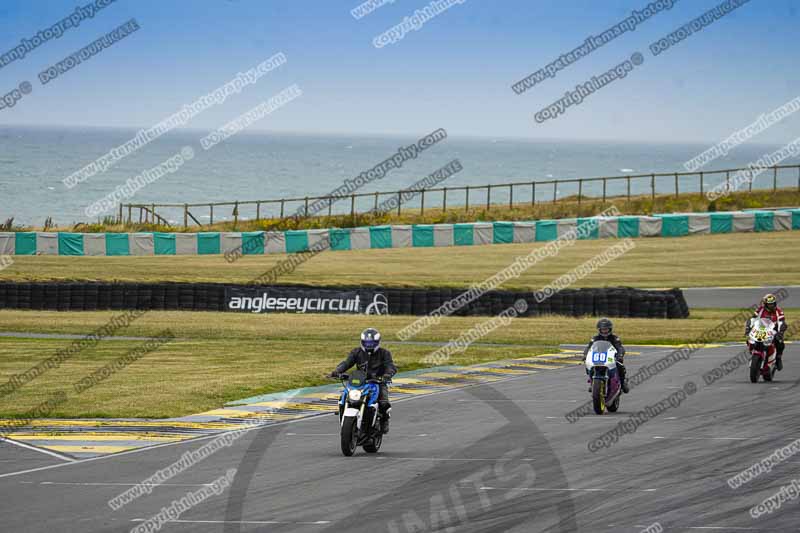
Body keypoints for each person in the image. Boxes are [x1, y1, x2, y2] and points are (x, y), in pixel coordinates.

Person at [330, 328, 396, 434]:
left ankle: (384, 421)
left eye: (371, 343)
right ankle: (344, 417)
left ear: (377, 342)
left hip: (377, 382)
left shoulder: (384, 353)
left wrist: (387, 375)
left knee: (384, 403)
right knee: (343, 398)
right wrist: (337, 371)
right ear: (362, 342)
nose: (369, 345)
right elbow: (347, 363)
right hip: (359, 382)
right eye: (367, 342)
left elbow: (390, 366)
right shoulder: (356, 352)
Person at [584, 318, 629, 393]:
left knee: (620, 365)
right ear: (599, 330)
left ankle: (623, 382)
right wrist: (585, 355)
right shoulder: (595, 338)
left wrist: (620, 355)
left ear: (610, 329)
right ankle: (593, 382)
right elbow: (589, 348)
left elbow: (620, 347)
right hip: (599, 358)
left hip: (611, 358)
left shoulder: (615, 338)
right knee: (589, 366)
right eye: (602, 329)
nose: (604, 331)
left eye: (606, 329)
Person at [746, 293, 788, 370]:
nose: (771, 306)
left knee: (780, 342)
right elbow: (753, 319)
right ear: (765, 304)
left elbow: (782, 322)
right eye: (769, 304)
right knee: (749, 338)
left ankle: (778, 359)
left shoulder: (778, 311)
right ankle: (752, 352)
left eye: (773, 304)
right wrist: (748, 328)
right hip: (761, 329)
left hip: (773, 331)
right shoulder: (760, 310)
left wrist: (780, 332)